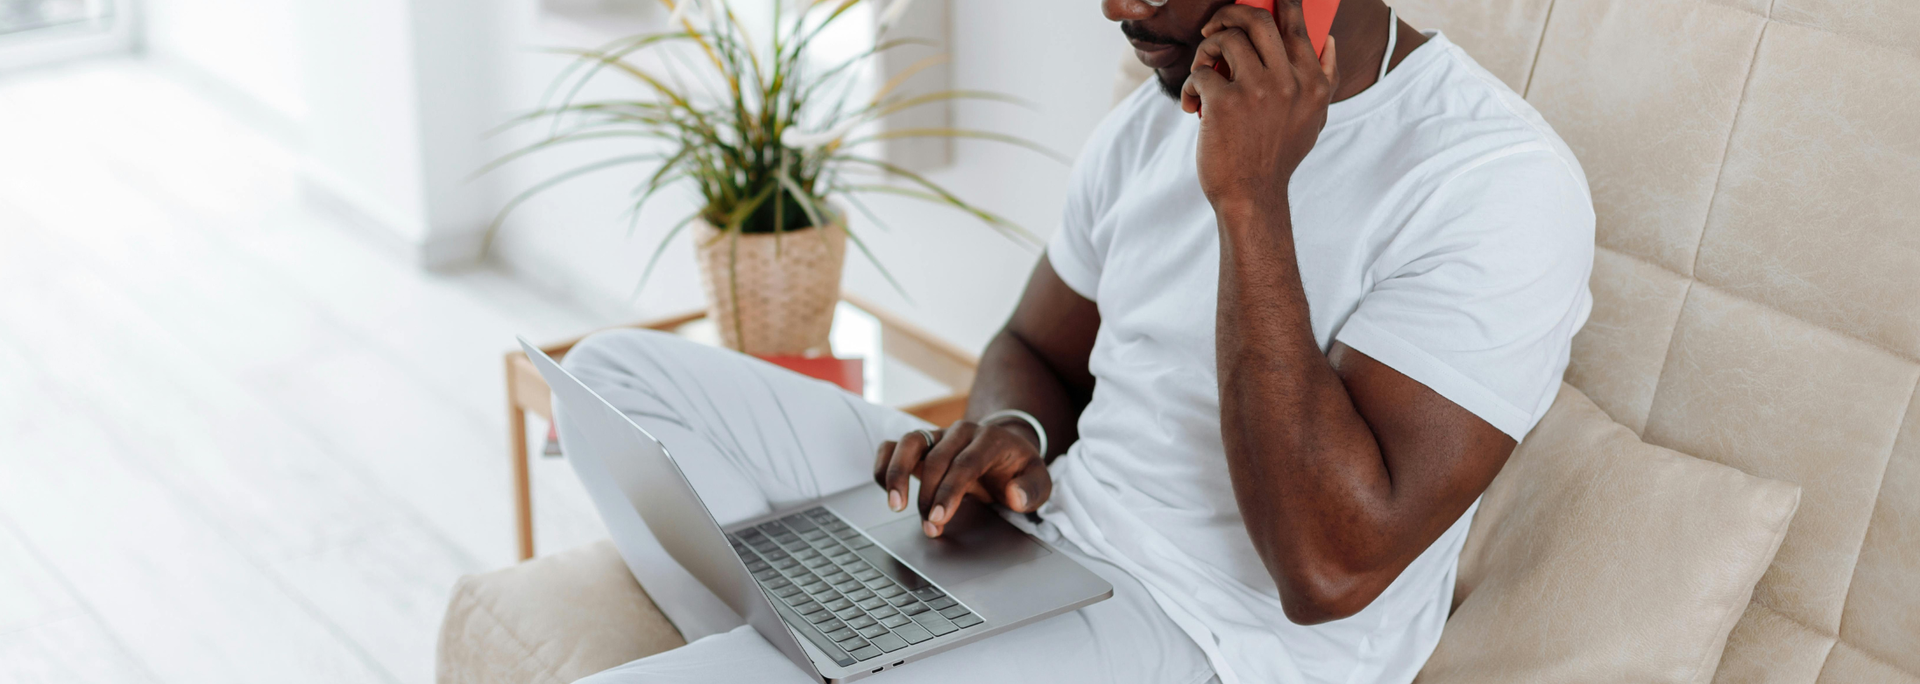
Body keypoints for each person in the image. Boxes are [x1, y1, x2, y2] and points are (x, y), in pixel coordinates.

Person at [564, 0, 1593, 681]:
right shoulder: (1151, 121)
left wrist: (1251, 197)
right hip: (1049, 541)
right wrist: (1011, 432)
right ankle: (828, 641)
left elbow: (1327, 572)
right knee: (614, 377)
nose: (1114, 8)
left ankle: (821, 647)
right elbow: (1034, 343)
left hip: (1208, 637)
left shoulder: (1493, 182)